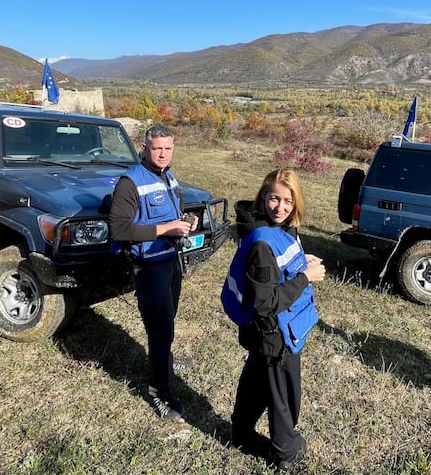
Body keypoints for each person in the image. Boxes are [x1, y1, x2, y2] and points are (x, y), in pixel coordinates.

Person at [222, 169, 326, 472]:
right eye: (273, 199)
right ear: (263, 197)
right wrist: (306, 277)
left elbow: (274, 273)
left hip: (263, 331)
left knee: (256, 381)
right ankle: (287, 452)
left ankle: (240, 434)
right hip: (273, 332)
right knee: (283, 394)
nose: (279, 207)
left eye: (287, 201)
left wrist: (300, 263)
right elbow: (266, 302)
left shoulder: (279, 228)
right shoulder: (261, 243)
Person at [108, 125, 198, 423]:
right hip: (148, 267)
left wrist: (186, 220)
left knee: (167, 321)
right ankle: (160, 390)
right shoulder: (129, 182)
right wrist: (165, 229)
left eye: (168, 148)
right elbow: (119, 229)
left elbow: (172, 210)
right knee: (159, 329)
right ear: (144, 148)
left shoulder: (168, 175)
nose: (163, 154)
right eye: (157, 148)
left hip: (170, 260)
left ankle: (165, 363)